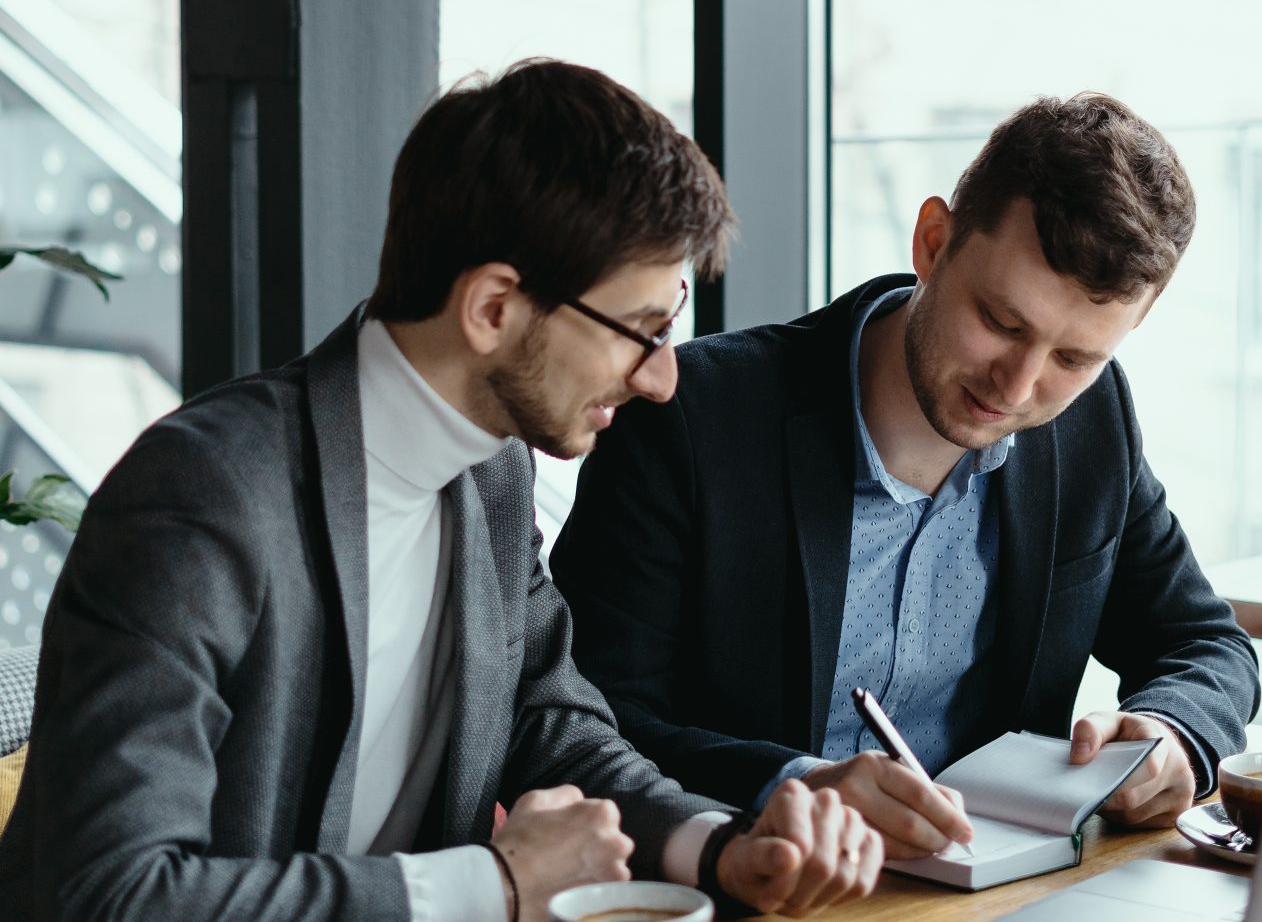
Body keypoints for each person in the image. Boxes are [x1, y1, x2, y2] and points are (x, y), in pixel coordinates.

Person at [0, 60, 883, 921]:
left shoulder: (492, 471)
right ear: (494, 308)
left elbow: (548, 722)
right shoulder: (203, 497)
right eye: (641, 332)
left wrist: (724, 847)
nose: (660, 380)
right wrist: (492, 888)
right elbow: (110, 891)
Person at [552, 92, 1260, 861]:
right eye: (1001, 322)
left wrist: (1170, 737)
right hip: (754, 890)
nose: (1017, 388)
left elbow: (1203, 642)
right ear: (933, 242)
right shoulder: (690, 421)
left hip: (1005, 897)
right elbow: (591, 717)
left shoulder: (1092, 423)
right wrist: (791, 784)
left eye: (1072, 358)